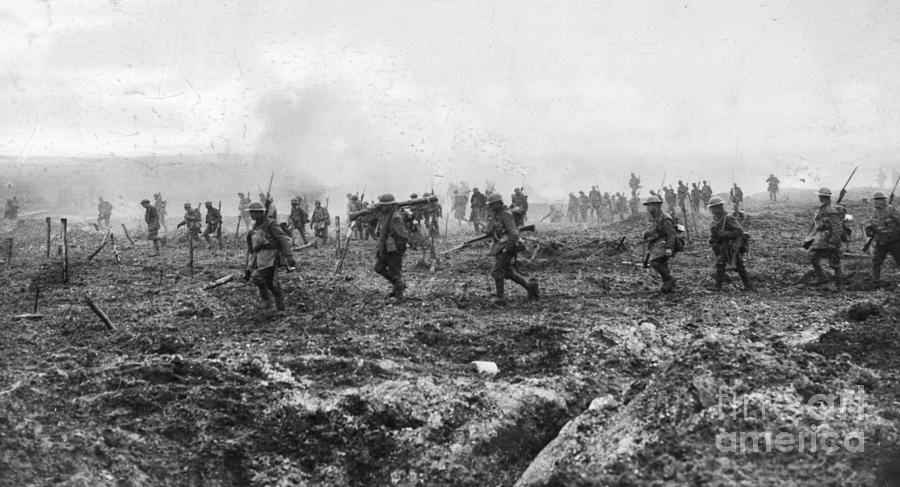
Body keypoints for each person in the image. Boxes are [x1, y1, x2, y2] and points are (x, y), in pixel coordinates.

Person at [484, 193, 539, 305]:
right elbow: (493, 229)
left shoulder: (505, 214)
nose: (490, 207)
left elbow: (513, 234)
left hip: (506, 246)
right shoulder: (497, 215)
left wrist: (507, 249)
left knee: (497, 271)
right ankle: (530, 286)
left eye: (492, 204)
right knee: (508, 272)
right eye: (490, 205)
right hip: (501, 246)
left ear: (499, 203)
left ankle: (500, 299)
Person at [244, 202, 296, 311]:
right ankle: (281, 308)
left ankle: (266, 301)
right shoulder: (256, 225)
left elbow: (284, 239)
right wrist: (250, 266)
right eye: (250, 212)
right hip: (260, 257)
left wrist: (289, 255)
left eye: (253, 212)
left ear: (260, 212)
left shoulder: (270, 223)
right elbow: (254, 245)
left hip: (271, 257)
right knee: (271, 283)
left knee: (257, 277)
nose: (251, 215)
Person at [707, 196, 752, 291]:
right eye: (711, 208)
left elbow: (739, 231)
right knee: (721, 263)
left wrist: (726, 234)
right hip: (722, 247)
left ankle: (748, 286)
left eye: (713, 208)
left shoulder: (728, 218)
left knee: (738, 266)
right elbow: (716, 233)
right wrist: (712, 239)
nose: (712, 210)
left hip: (731, 247)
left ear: (719, 207)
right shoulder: (717, 219)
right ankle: (718, 286)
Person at [372, 194, 410, 299]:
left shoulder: (395, 217)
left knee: (394, 271)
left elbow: (403, 235)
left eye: (383, 205)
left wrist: (397, 248)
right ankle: (398, 284)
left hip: (394, 249)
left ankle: (399, 295)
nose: (381, 207)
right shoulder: (385, 215)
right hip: (384, 247)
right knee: (378, 267)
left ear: (390, 206)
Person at [806, 188, 844, 289]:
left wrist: (833, 242)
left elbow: (837, 228)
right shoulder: (823, 208)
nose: (819, 197)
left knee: (835, 263)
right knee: (812, 256)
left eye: (820, 196)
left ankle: (839, 285)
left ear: (822, 197)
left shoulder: (830, 210)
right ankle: (821, 277)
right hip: (822, 240)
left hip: (830, 240)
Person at [642, 195, 677, 293]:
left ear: (657, 206)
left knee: (655, 262)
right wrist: (646, 234)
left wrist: (669, 248)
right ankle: (668, 284)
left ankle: (669, 280)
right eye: (648, 205)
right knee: (661, 263)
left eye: (651, 205)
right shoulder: (653, 217)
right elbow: (651, 229)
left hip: (665, 242)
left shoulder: (665, 218)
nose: (648, 208)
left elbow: (671, 235)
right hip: (655, 242)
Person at [864, 191, 900, 282]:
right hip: (881, 241)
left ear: (884, 200)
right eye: (875, 200)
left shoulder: (890, 209)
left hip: (893, 241)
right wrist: (870, 228)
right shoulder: (875, 212)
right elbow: (873, 223)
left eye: (879, 199)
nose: (876, 201)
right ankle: (875, 281)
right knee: (876, 262)